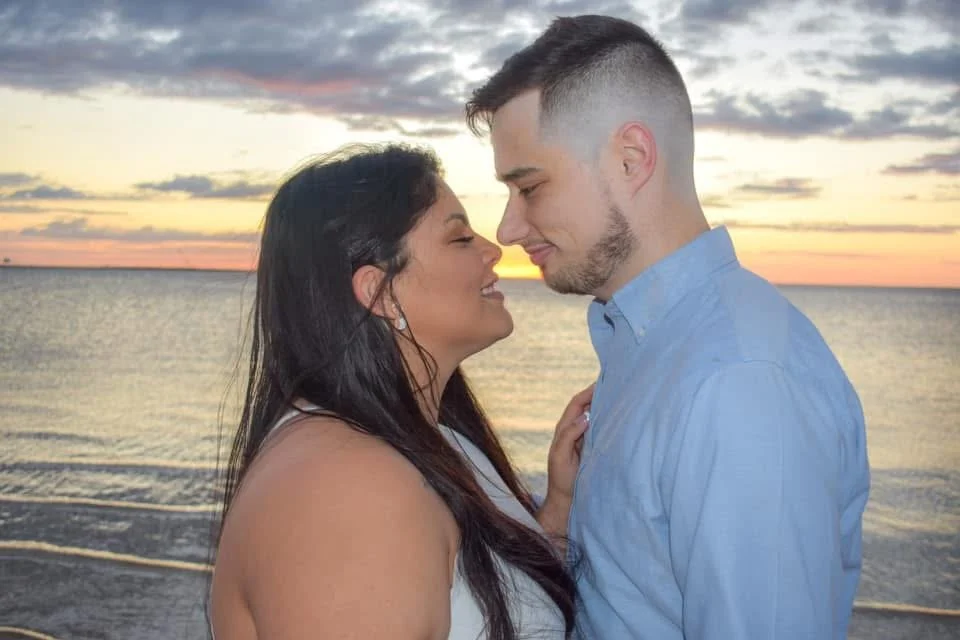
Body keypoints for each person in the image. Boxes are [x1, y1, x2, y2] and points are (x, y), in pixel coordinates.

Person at [466, 14, 871, 640]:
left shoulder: (738, 381)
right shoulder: (651, 346)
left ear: (631, 159)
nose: (508, 228)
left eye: (530, 187)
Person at [209, 144, 592, 639]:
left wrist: (557, 509)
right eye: (459, 238)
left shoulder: (424, 441)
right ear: (381, 293)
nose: (493, 249)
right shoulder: (346, 488)